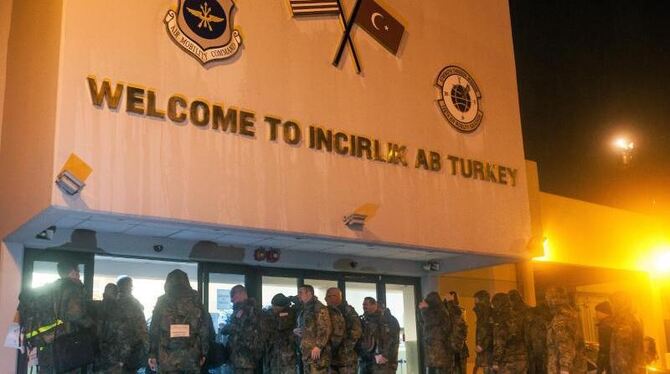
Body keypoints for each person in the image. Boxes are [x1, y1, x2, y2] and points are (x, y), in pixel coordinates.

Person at [20, 260, 94, 373]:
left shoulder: (49, 289)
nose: (79, 274)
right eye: (78, 271)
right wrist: (93, 324)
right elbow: (76, 315)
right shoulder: (71, 288)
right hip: (64, 347)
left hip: (45, 344)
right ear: (73, 272)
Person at [148, 269, 210, 373]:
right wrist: (204, 353)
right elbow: (204, 329)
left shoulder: (162, 301)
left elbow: (154, 329)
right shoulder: (196, 301)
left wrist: (152, 354)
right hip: (191, 356)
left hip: (167, 357)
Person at [220, 284, 263, 374]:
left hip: (244, 358)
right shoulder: (244, 309)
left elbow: (240, 327)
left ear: (240, 294)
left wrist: (226, 328)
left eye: (232, 296)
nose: (231, 300)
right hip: (240, 357)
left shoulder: (248, 309)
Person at [544, 287, 586, 374]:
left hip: (562, 369)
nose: (547, 302)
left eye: (548, 298)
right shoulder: (572, 316)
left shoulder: (561, 319)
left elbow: (565, 344)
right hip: (575, 367)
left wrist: (564, 369)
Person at [115, 276, 149, 372]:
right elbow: (142, 327)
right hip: (131, 349)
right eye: (131, 286)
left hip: (112, 350)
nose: (131, 288)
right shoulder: (133, 304)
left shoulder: (113, 301)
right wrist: (148, 348)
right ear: (128, 287)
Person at [295, 285, 332, 374]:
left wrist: (319, 346)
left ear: (309, 293)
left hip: (317, 354)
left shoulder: (318, 307)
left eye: (301, 292)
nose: (298, 295)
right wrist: (296, 330)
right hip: (307, 353)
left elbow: (325, 328)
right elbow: (308, 327)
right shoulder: (305, 308)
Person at [325, 287, 362, 374]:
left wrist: (344, 348)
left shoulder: (348, 311)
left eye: (330, 296)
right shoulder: (326, 311)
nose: (326, 299)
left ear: (338, 297)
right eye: (326, 296)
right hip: (330, 357)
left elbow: (356, 331)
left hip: (346, 359)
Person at [491, 292, 527, 374]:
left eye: (494, 305)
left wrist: (496, 361)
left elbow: (500, 341)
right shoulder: (519, 316)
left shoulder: (501, 319)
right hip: (522, 358)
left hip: (508, 360)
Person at [609, 291, 644, 374]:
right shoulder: (633, 320)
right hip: (633, 368)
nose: (611, 307)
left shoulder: (623, 322)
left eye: (613, 303)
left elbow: (622, 354)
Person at [263, 293, 298, 374]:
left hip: (286, 352)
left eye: (276, 307)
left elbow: (280, 325)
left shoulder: (289, 313)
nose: (274, 308)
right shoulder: (269, 312)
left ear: (283, 306)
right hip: (272, 352)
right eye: (273, 306)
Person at [418, 292, 453, 374]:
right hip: (435, 354)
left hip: (438, 354)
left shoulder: (438, 311)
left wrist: (424, 310)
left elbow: (431, 324)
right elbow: (423, 325)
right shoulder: (440, 310)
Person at [358, 297, 394, 374]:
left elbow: (392, 340)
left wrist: (384, 355)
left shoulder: (386, 320)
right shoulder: (363, 320)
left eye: (366, 304)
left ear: (374, 305)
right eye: (363, 304)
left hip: (380, 361)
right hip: (365, 360)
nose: (364, 306)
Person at [93, 283, 121, 372]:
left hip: (95, 353)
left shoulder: (93, 307)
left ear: (103, 294)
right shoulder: (120, 311)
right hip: (113, 355)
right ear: (117, 294)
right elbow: (124, 335)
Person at [446, 291, 468, 374]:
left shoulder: (457, 312)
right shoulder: (462, 311)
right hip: (460, 347)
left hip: (453, 347)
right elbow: (464, 329)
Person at [526, 303, 551, 374]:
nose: (528, 317)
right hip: (537, 354)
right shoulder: (532, 324)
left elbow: (539, 340)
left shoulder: (537, 324)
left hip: (540, 353)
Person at [473, 290, 493, 374]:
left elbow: (490, 332)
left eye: (476, 299)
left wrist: (482, 345)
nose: (474, 302)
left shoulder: (487, 313)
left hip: (487, 351)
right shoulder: (483, 312)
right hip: (484, 351)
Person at [378, 302, 400, 373]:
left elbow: (392, 341)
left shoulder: (391, 321)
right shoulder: (382, 320)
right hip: (383, 359)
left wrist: (384, 356)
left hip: (389, 360)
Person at [594, 301, 613, 374]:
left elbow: (603, 348)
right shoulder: (615, 322)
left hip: (609, 360)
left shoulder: (604, 326)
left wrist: (599, 368)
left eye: (597, 312)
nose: (596, 314)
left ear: (603, 312)